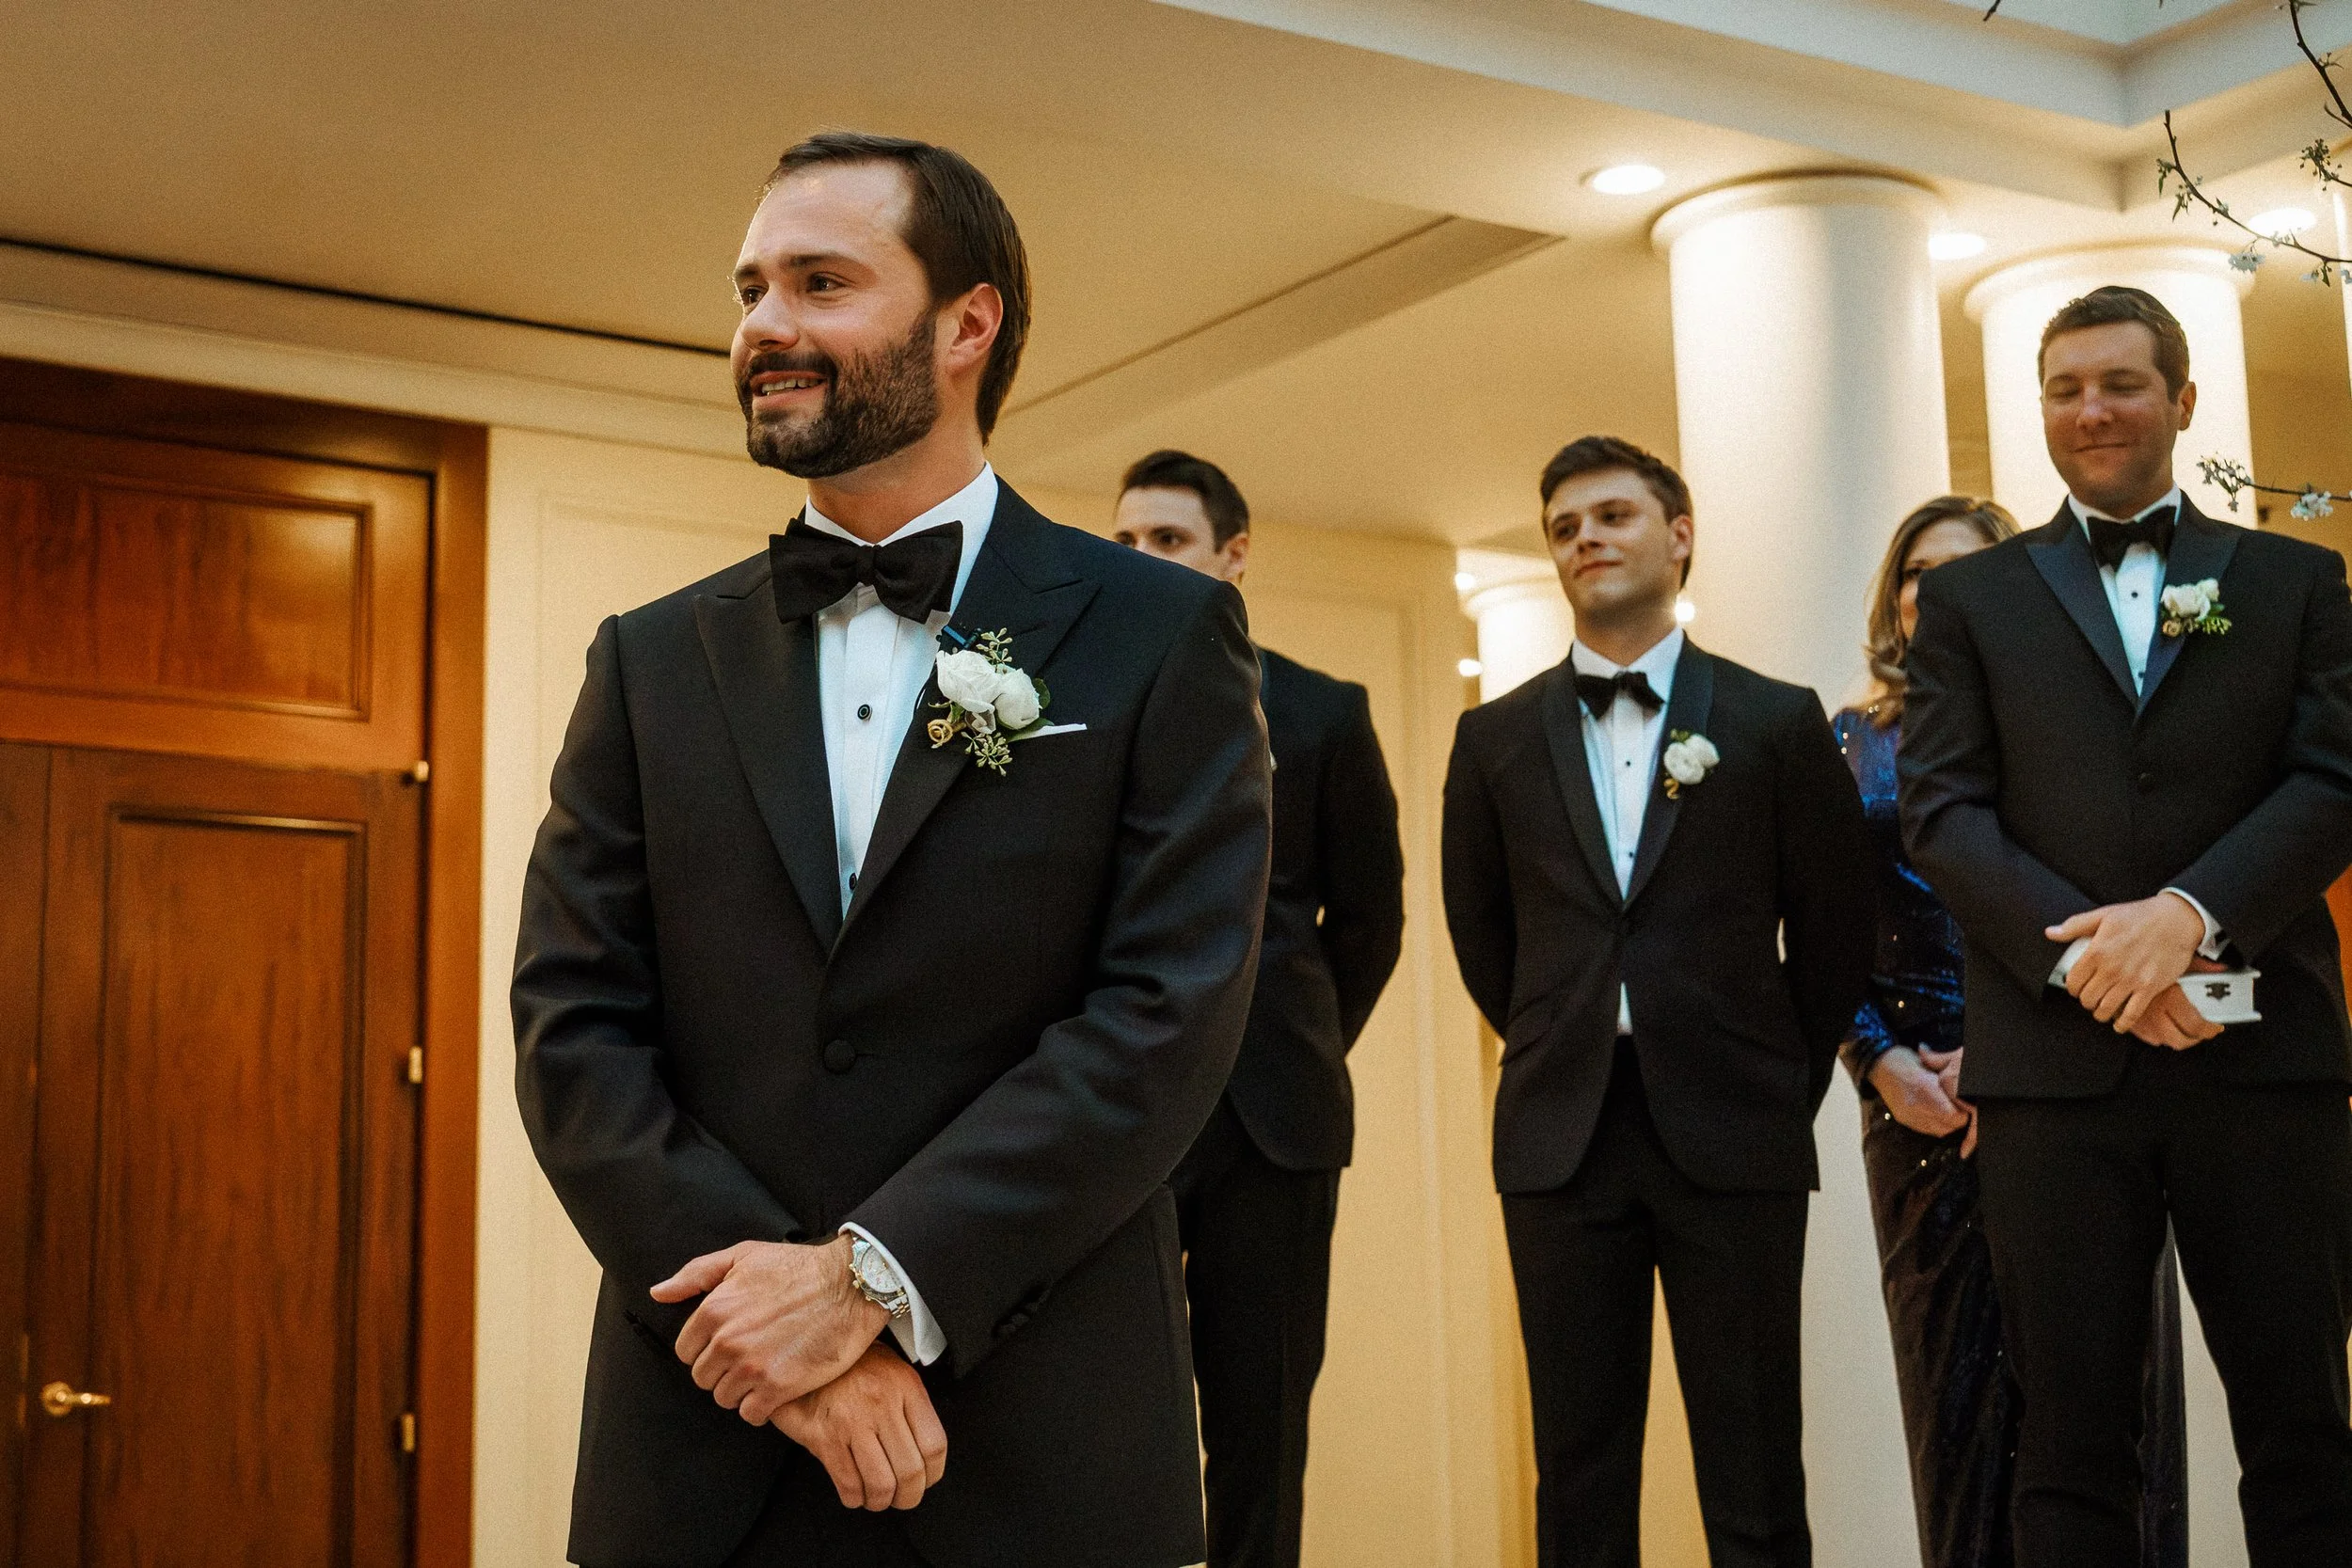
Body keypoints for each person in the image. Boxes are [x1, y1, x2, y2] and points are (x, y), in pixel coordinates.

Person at [511, 131, 1273, 1568]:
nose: (764, 328)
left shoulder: (1158, 634)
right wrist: (788, 1341)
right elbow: (573, 1031)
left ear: (967, 322)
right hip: (708, 1452)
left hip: (1038, 1447)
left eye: (820, 282)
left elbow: (1168, 1013)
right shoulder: (650, 660)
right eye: (751, 290)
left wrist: (873, 1277)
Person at [1901, 284, 2352, 1568]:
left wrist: (2193, 917)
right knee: (2071, 1444)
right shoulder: (1972, 600)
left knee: (2304, 1432)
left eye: (2121, 381)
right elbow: (1943, 811)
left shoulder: (2295, 578)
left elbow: (2334, 777)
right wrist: (2103, 959)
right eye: (2065, 386)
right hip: (2054, 1078)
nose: (2092, 408)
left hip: (2264, 1067)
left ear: (2184, 400)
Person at [1441, 435, 1873, 1568]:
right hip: (1560, 1136)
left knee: (1754, 1465)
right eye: (1565, 525)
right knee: (1577, 1470)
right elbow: (1482, 935)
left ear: (1679, 536)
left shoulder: (1776, 721)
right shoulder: (1491, 738)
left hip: (1735, 1128)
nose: (1586, 537)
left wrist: (1780, 1073)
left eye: (1613, 514)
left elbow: (1835, 924)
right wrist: (1559, 1033)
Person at [1838, 495, 2187, 1568]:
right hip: (1920, 1112)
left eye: (1962, 571)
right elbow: (1812, 928)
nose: (1933, 591)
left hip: (2074, 1080)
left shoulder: (2085, 727)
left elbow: (2115, 914)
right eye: (1914, 573)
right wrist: (1879, 1062)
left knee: (2100, 1405)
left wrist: (2016, 1060)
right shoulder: (1846, 741)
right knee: (1954, 1412)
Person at [1113, 449, 1406, 1568]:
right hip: (1117, 1110)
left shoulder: (1326, 713)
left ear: (1233, 557)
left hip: (1275, 1117)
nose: (1142, 560)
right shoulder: (1079, 706)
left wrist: (1293, 1040)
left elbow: (1368, 924)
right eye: (1126, 541)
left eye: (1169, 540)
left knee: (1261, 1417)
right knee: (1111, 1412)